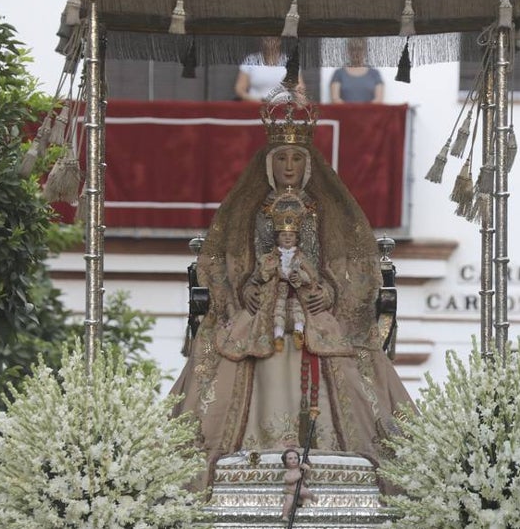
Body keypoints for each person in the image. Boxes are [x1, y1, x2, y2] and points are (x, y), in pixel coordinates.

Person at [169, 88, 413, 489]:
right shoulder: (248, 210)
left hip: (312, 316)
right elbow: (231, 260)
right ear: (268, 165)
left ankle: (334, 463)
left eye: (296, 158)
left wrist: (329, 292)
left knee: (353, 374)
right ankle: (246, 460)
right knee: (227, 363)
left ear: (308, 165)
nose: (288, 166)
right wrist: (245, 286)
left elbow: (343, 264)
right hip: (260, 315)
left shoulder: (325, 212)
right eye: (281, 158)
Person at [250, 188, 319, 353]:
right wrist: (271, 271)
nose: (287, 238)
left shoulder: (301, 258)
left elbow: (312, 276)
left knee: (298, 311)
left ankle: (299, 333)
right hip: (278, 289)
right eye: (283, 236)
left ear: (297, 238)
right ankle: (278, 336)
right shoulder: (270, 257)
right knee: (278, 311)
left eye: (291, 236)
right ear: (277, 238)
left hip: (296, 291)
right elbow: (260, 275)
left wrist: (300, 277)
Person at [235, 36, 305, 101]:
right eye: (266, 39)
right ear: (262, 41)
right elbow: (240, 89)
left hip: (283, 108)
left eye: (273, 39)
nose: (269, 42)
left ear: (279, 41)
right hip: (255, 106)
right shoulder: (250, 60)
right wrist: (256, 100)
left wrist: (302, 104)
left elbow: (299, 89)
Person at [329, 38, 383, 103]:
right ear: (348, 51)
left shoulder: (375, 74)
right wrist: (352, 110)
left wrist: (361, 111)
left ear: (365, 51)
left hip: (369, 113)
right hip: (344, 113)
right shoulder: (339, 73)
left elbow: (378, 100)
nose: (356, 53)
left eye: (360, 49)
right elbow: (335, 99)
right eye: (353, 49)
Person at [280, 447, 315, 519]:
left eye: (295, 458)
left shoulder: (300, 469)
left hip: (300, 490)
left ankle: (310, 498)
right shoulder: (288, 472)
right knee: (289, 501)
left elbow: (307, 476)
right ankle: (285, 515)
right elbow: (288, 480)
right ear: (285, 461)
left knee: (305, 491)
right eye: (290, 458)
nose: (293, 460)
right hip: (290, 492)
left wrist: (307, 469)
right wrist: (298, 476)